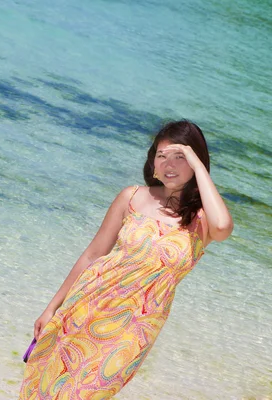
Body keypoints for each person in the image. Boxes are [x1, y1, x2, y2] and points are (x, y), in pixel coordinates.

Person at [19, 120, 233, 399]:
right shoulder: (132, 197)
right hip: (88, 304)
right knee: (49, 388)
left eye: (181, 157)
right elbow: (93, 255)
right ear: (152, 163)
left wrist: (200, 167)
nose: (170, 165)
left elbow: (224, 227)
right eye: (162, 155)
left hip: (136, 328)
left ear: (196, 162)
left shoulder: (201, 220)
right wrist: (51, 308)